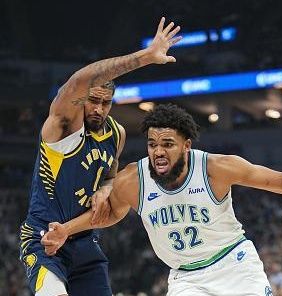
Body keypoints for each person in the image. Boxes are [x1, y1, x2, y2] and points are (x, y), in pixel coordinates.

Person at [41, 104, 282, 296]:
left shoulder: (216, 168)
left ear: (186, 145)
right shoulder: (134, 179)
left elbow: (279, 180)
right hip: (186, 278)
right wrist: (66, 230)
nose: (158, 152)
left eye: (167, 144)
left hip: (234, 265)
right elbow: (108, 213)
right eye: (151, 144)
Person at [20, 18, 182, 296]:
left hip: (85, 241)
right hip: (44, 237)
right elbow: (80, 80)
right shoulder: (62, 125)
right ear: (82, 99)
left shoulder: (116, 134)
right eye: (93, 101)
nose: (98, 108)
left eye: (105, 103)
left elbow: (108, 176)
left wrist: (106, 189)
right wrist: (145, 57)